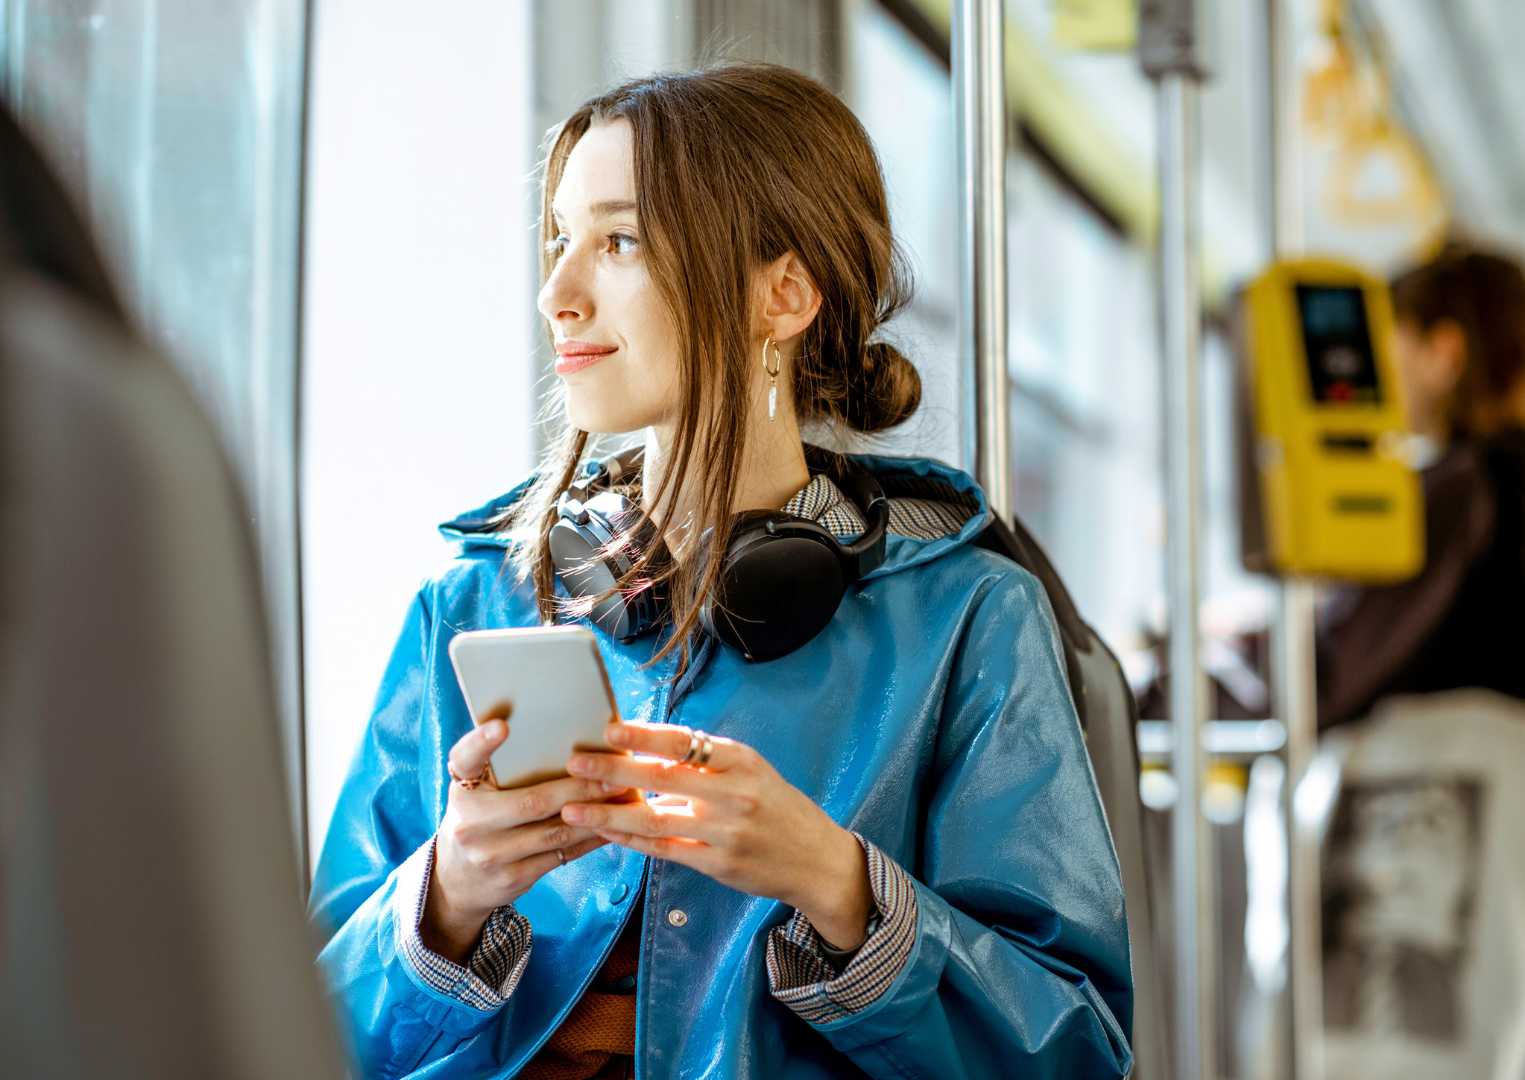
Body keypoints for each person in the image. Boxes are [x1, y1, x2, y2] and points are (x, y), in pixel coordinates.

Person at [309, 65, 1133, 1080]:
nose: (556, 295)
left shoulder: (969, 621)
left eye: (619, 241)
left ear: (782, 295)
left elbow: (1075, 1052)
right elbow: (298, 1027)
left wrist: (838, 884)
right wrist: (444, 899)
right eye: (561, 240)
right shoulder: (473, 605)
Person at [1315, 243, 1525, 1078]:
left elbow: (1333, 669)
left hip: (1495, 901)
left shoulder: (1465, 490)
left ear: (1445, 351)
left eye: (1392, 347)